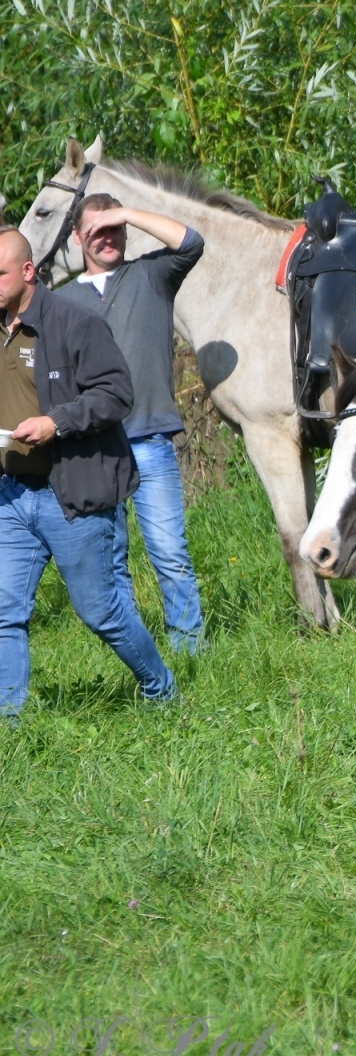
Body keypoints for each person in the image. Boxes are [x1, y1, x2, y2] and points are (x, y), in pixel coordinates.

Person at [0, 226, 177, 723]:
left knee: (101, 612)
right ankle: (8, 727)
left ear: (29, 271)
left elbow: (118, 393)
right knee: (3, 612)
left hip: (70, 492)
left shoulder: (75, 322)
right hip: (12, 493)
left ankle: (162, 689)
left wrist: (56, 422)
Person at [54, 195, 207, 653]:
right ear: (78, 238)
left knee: (170, 554)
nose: (109, 237)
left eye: (115, 229)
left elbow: (191, 242)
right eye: (97, 230)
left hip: (150, 440)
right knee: (112, 560)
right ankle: (137, 653)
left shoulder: (151, 275)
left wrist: (127, 214)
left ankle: (189, 650)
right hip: (94, 449)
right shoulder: (62, 301)